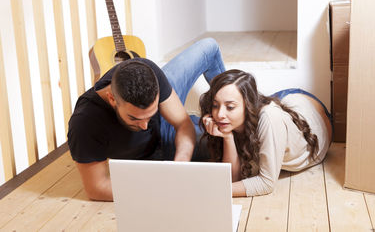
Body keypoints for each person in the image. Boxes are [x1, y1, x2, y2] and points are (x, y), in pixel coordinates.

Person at [68, 38, 225, 201]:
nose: (144, 126)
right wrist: (160, 190)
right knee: (228, 140)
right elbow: (97, 189)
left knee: (209, 47)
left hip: (165, 117)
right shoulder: (84, 123)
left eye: (148, 116)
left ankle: (231, 106)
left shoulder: (147, 71)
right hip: (156, 150)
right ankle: (205, 122)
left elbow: (182, 124)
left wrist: (181, 164)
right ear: (112, 99)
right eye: (134, 118)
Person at [199, 69, 332, 197]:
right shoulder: (233, 119)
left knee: (269, 113)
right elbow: (233, 180)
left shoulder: (269, 119)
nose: (219, 114)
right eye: (215, 105)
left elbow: (266, 183)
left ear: (248, 106)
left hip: (309, 109)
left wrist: (213, 190)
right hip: (282, 102)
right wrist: (227, 137)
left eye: (230, 107)